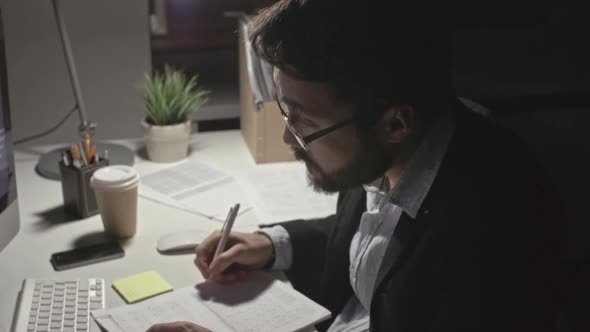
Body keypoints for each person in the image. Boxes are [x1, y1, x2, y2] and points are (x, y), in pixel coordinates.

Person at [147, 0, 566, 331]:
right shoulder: (388, 151)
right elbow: (377, 233)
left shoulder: (494, 234)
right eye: (286, 114)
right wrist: (275, 244)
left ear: (395, 123)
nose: (288, 138)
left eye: (304, 121)